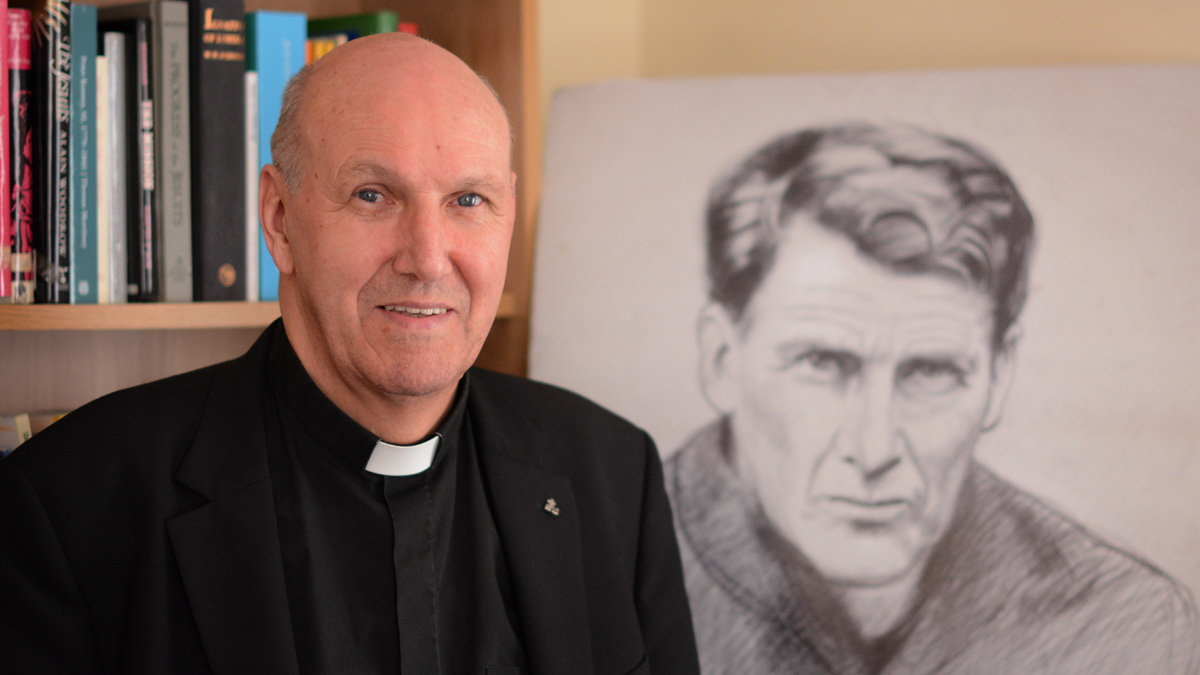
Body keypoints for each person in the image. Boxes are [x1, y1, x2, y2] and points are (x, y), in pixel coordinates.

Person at [0, 34, 699, 674]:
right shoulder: (70, 502)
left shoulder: (612, 473)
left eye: (467, 199)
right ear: (279, 220)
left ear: (508, 215)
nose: (428, 259)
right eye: (373, 195)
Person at [665, 123, 1199, 674]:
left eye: (930, 372)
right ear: (722, 360)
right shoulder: (613, 581)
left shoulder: (1127, 629)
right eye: (822, 364)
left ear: (1000, 375)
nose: (874, 451)